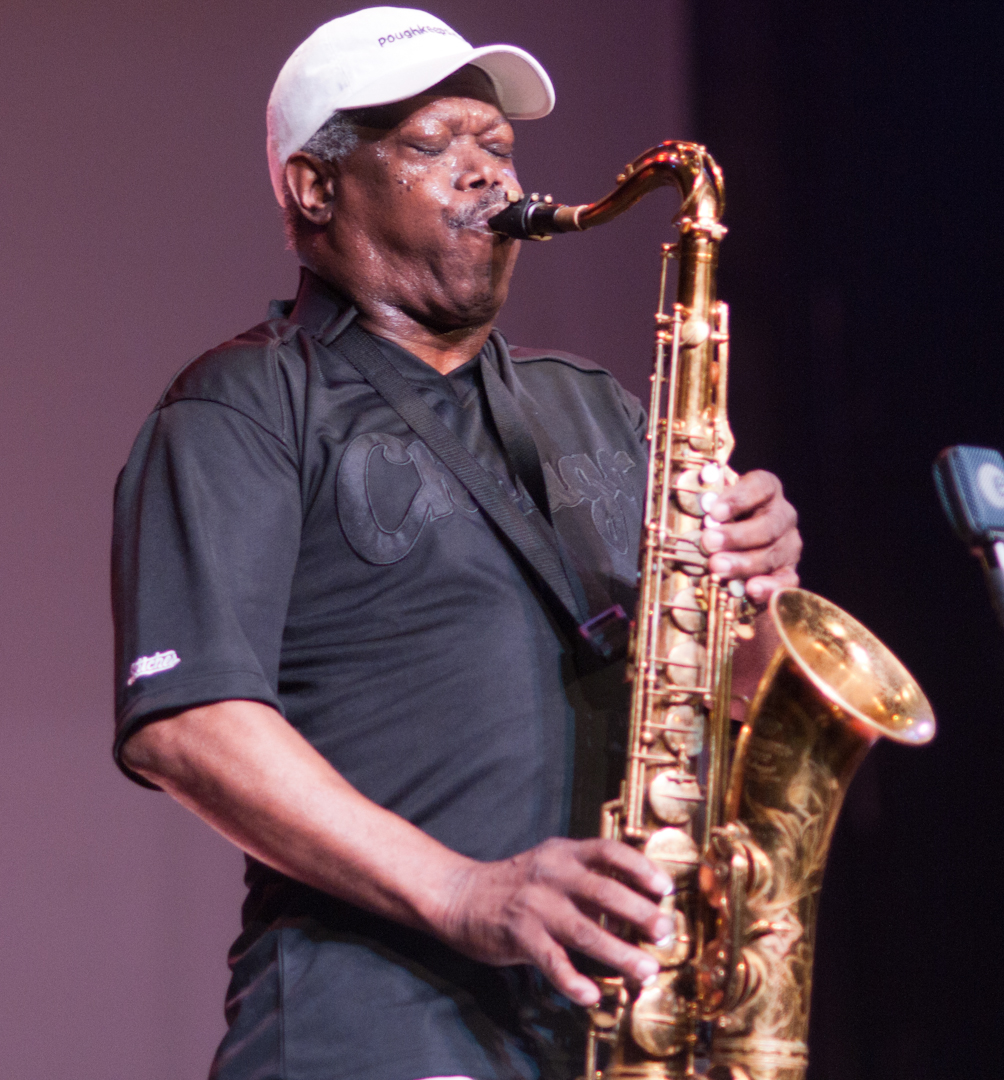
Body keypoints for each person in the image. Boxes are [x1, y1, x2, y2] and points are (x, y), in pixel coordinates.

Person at [111, 8, 802, 1080]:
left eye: (498, 147)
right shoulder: (242, 406)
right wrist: (465, 892)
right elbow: (191, 726)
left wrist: (759, 597)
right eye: (434, 145)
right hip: (372, 1034)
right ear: (314, 187)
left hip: (612, 1030)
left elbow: (728, 704)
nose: (484, 174)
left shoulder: (605, 410)